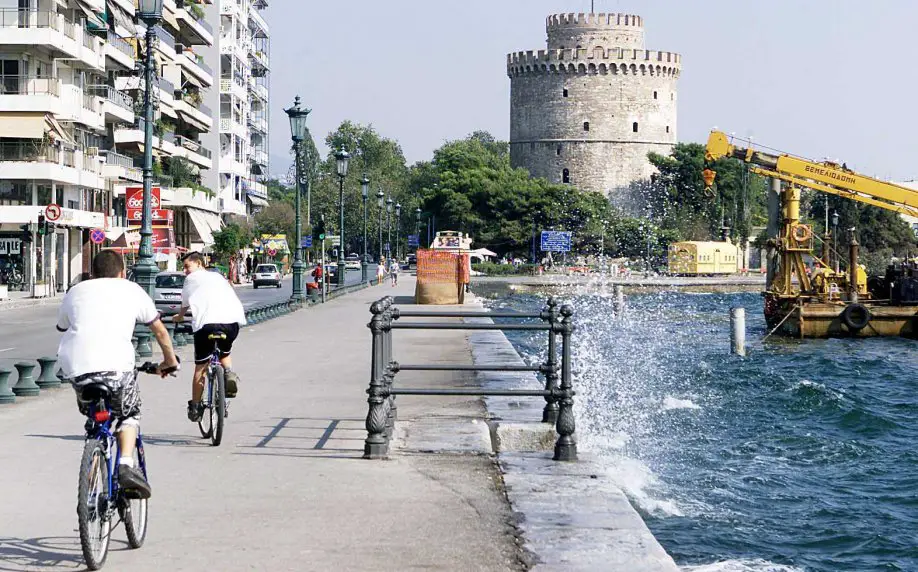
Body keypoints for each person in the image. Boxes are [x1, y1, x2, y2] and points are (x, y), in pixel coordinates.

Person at [57, 250, 178, 499]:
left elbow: (62, 325)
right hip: (117, 368)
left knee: (95, 420)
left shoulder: (75, 291)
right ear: (122, 273)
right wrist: (169, 361)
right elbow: (160, 331)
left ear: (92, 273)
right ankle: (125, 464)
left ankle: (90, 488)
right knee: (129, 414)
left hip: (78, 370)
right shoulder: (132, 289)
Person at [173, 252, 246, 423]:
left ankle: (196, 407)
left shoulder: (191, 279)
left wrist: (179, 317)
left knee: (200, 367)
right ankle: (228, 374)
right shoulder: (218, 277)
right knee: (224, 352)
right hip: (232, 323)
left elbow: (185, 304)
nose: (185, 271)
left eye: (187, 266)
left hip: (207, 326)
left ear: (199, 264)